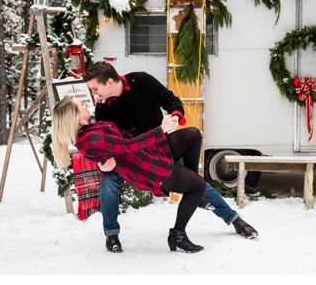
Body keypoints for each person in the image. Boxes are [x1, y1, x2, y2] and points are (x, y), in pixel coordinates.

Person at [83, 62, 258, 253]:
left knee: (196, 178)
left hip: (161, 150)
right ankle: (111, 234)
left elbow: (170, 99)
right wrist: (103, 166)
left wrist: (175, 115)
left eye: (95, 89)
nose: (94, 95)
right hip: (131, 160)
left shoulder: (140, 81)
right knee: (108, 181)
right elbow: (104, 145)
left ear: (109, 82)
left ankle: (234, 220)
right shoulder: (103, 110)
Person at [52, 96, 206, 253]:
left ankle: (193, 193)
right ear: (75, 117)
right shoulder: (90, 139)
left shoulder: (88, 130)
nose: (85, 103)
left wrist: (102, 166)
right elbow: (126, 146)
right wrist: (161, 130)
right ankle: (177, 235)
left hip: (147, 152)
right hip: (145, 167)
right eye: (81, 104)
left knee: (192, 135)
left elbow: (107, 154)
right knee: (199, 186)